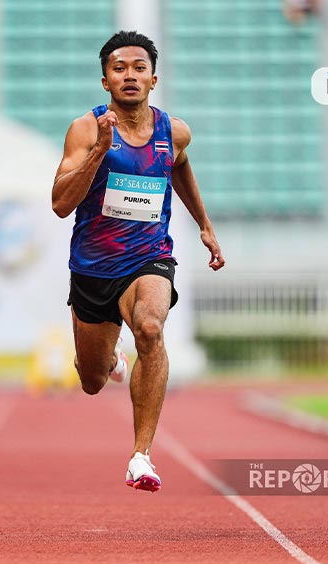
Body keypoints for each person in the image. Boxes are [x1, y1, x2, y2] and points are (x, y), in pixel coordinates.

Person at [51, 30, 225, 492]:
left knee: (150, 327)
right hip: (93, 267)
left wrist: (204, 225)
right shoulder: (85, 129)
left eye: (139, 68)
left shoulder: (175, 131)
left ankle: (140, 456)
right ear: (105, 80)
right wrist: (98, 152)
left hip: (149, 256)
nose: (129, 75)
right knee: (92, 380)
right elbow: (60, 204)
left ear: (153, 79)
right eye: (119, 68)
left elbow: (179, 165)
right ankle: (110, 358)